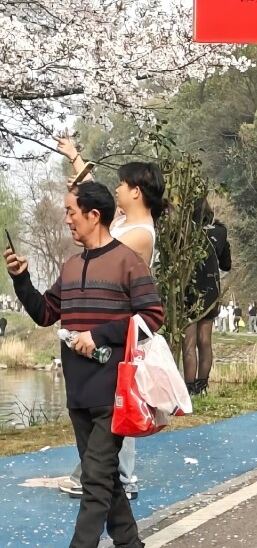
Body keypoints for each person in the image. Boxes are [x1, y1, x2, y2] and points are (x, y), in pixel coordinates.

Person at [4, 181, 164, 548]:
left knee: (94, 477)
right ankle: (129, 546)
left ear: (94, 215)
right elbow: (45, 313)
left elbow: (152, 317)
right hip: (78, 391)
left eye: (72, 211)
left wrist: (102, 334)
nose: (67, 218)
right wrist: (21, 280)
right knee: (103, 476)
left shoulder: (128, 262)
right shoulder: (71, 266)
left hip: (114, 389)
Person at [56, 141, 167, 501]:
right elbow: (93, 196)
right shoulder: (122, 221)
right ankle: (99, 474)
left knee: (121, 398)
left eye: (121, 184)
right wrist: (75, 158)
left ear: (136, 191)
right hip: (106, 328)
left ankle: (121, 475)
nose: (116, 188)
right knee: (112, 402)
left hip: (120, 327)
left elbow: (101, 233)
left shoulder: (138, 233)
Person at [182, 198, 232, 396]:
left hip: (188, 291)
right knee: (205, 341)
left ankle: (189, 389)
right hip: (211, 291)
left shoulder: (185, 233)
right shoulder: (220, 232)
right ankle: (202, 387)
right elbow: (226, 264)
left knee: (189, 343)